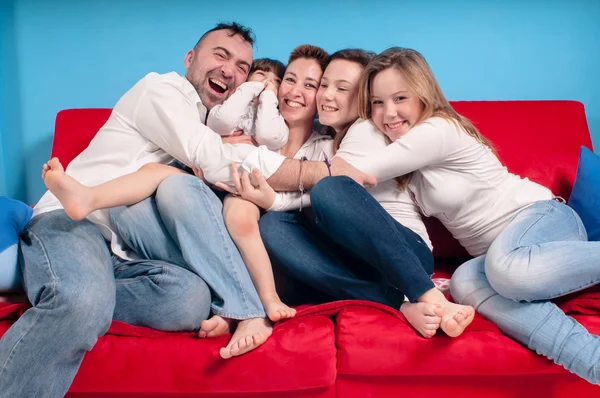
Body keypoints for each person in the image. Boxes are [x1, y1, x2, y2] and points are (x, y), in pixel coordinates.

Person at [0, 22, 276, 398]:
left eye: (243, 66)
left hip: (127, 250)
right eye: (220, 55)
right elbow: (212, 161)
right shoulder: (160, 89)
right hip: (75, 223)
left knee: (189, 300)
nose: (230, 70)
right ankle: (68, 295)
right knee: (83, 302)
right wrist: (310, 174)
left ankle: (46, 285)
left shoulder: (210, 127)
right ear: (190, 59)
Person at [338, 47, 600, 384]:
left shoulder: (438, 130)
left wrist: (276, 172)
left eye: (400, 98)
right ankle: (592, 361)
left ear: (423, 95)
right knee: (464, 282)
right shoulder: (404, 162)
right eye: (376, 103)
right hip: (496, 258)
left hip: (543, 222)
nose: (388, 113)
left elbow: (354, 172)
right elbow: (400, 221)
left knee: (508, 271)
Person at [251, 49, 469, 338]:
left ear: (364, 98)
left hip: (406, 253)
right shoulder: (325, 137)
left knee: (330, 188)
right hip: (357, 258)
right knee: (273, 226)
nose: (327, 95)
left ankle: (427, 295)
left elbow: (330, 184)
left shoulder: (366, 129)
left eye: (342, 89)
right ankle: (399, 305)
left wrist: (273, 199)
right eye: (324, 85)